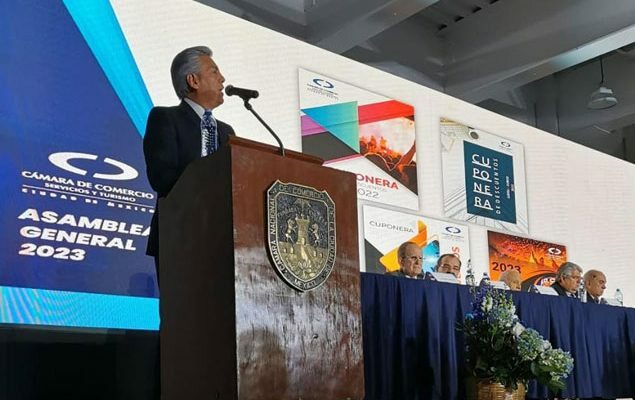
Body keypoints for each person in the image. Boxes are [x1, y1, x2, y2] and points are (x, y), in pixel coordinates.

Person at [143, 46, 235, 277]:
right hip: (178, 234)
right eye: (214, 71)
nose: (222, 78)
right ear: (193, 80)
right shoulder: (164, 118)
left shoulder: (227, 132)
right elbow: (161, 178)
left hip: (223, 238)